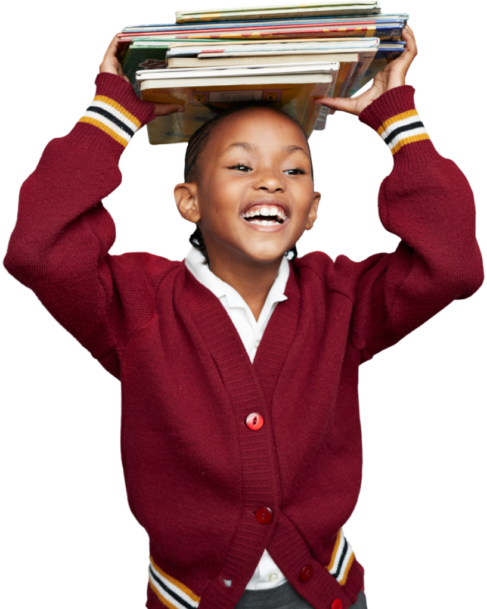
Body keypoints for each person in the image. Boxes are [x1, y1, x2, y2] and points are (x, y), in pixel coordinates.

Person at [2, 25, 484, 609]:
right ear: (188, 201)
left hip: (329, 590)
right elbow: (39, 249)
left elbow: (453, 264)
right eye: (239, 166)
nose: (269, 181)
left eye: (295, 169)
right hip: (188, 597)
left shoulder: (345, 299)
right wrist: (112, 113)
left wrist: (396, 120)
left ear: (312, 211)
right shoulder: (135, 303)